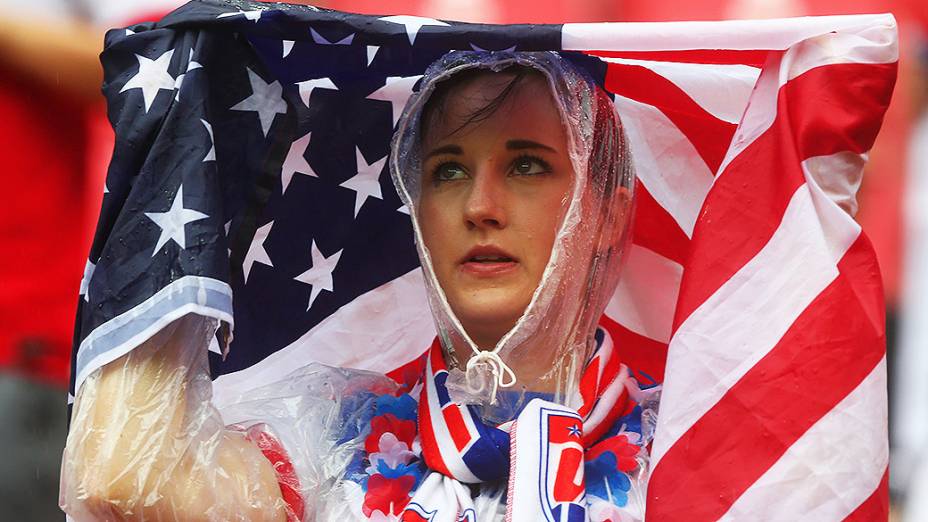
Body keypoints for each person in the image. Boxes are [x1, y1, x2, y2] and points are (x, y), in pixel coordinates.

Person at [61, 50, 645, 521]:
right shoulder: (333, 439)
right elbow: (126, 479)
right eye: (448, 170)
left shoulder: (688, 444)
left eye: (526, 166)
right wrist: (183, 147)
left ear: (608, 218)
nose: (479, 206)